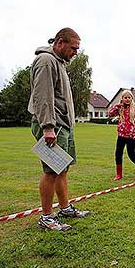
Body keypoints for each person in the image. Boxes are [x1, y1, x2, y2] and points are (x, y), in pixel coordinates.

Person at [28, 28, 89, 231]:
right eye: (73, 48)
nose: (76, 52)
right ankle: (46, 217)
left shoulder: (59, 63)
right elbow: (42, 96)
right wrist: (47, 127)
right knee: (51, 171)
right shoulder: (46, 61)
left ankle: (64, 208)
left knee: (62, 168)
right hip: (51, 125)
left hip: (63, 125)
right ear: (60, 42)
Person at [108, 90, 135, 181]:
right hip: (121, 135)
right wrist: (117, 106)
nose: (127, 99)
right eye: (125, 97)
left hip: (131, 136)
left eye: (129, 97)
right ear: (122, 98)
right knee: (118, 153)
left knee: (131, 155)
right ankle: (119, 174)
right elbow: (110, 114)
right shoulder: (119, 108)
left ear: (132, 98)